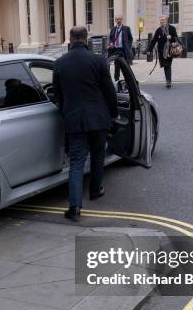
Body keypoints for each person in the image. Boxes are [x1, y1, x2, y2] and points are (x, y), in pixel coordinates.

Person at [53, 26, 119, 222]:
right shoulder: (98, 61)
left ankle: (74, 207)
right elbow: (109, 91)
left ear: (70, 39)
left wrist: (65, 111)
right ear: (86, 39)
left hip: (74, 119)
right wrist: (114, 113)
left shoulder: (60, 63)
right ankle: (95, 190)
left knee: (76, 162)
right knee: (98, 156)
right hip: (98, 118)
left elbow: (58, 94)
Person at [147, 15, 178, 89]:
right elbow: (154, 40)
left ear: (166, 20)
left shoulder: (172, 28)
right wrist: (149, 50)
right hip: (161, 51)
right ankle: (168, 80)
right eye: (160, 20)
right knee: (165, 65)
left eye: (162, 20)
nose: (161, 21)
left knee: (168, 64)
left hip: (170, 50)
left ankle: (168, 81)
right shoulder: (158, 30)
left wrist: (171, 38)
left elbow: (176, 38)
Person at [109, 15, 134, 80]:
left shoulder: (126, 28)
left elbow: (130, 38)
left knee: (125, 66)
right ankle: (116, 80)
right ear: (115, 20)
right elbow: (110, 38)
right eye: (117, 19)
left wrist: (128, 46)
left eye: (120, 19)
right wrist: (111, 43)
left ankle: (128, 80)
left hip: (124, 50)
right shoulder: (113, 29)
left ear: (122, 20)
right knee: (116, 66)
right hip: (116, 50)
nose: (119, 21)